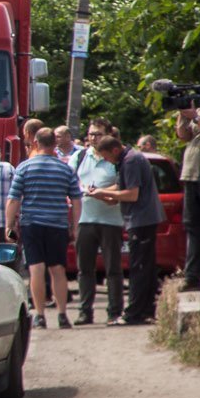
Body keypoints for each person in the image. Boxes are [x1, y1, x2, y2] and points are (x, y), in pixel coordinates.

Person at [5, 127, 82, 329]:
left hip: (32, 224)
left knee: (36, 269)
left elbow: (13, 199)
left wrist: (9, 225)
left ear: (36, 143)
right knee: (58, 269)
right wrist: (75, 226)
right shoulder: (65, 169)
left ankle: (40, 315)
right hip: (57, 224)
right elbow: (76, 199)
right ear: (55, 144)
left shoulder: (24, 167)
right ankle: (62, 315)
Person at [91, 135, 165, 324]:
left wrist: (103, 192)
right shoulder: (128, 159)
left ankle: (134, 313)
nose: (107, 161)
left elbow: (132, 194)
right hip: (142, 219)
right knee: (146, 267)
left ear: (115, 150)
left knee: (139, 267)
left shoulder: (131, 161)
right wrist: (100, 192)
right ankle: (147, 310)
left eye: (106, 156)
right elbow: (120, 186)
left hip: (141, 220)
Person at [73, 120, 125, 325]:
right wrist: (83, 189)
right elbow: (70, 180)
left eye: (98, 134)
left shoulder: (116, 158)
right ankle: (85, 312)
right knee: (84, 269)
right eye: (91, 134)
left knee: (113, 269)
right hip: (85, 219)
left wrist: (100, 192)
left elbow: (122, 184)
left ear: (108, 135)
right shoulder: (80, 156)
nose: (93, 138)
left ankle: (115, 311)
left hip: (110, 220)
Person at [176, 106, 200, 292]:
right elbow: (183, 135)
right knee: (192, 226)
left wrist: (195, 116)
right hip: (192, 175)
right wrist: (182, 114)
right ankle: (191, 276)